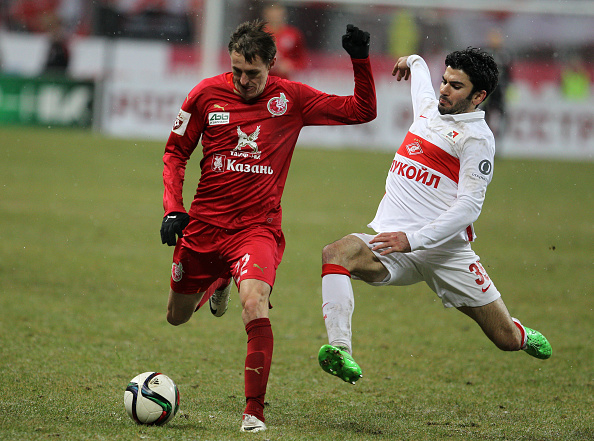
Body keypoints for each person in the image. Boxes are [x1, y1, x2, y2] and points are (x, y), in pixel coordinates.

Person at [160, 20, 376, 432]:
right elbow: (175, 153)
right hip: (204, 227)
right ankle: (220, 279)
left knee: (254, 301)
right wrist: (174, 208)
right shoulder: (205, 94)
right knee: (176, 316)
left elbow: (361, 110)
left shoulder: (291, 98)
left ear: (272, 65)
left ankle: (253, 412)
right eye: (237, 71)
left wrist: (360, 61)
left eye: (253, 73)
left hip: (256, 230)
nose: (243, 81)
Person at [317, 48, 552, 385]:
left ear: (478, 96)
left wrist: (413, 239)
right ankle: (341, 350)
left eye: (456, 86)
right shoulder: (430, 110)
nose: (444, 89)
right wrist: (413, 61)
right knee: (336, 253)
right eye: (444, 81)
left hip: (444, 253)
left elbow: (469, 207)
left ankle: (521, 334)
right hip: (395, 246)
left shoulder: (476, 139)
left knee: (505, 339)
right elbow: (421, 84)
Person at [262, 3, 307, 79]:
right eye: (272, 14)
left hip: (283, 80)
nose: (275, 17)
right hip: (263, 80)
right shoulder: (258, 34)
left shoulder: (293, 34)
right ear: (266, 15)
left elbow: (301, 60)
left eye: (278, 14)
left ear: (284, 15)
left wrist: (291, 65)